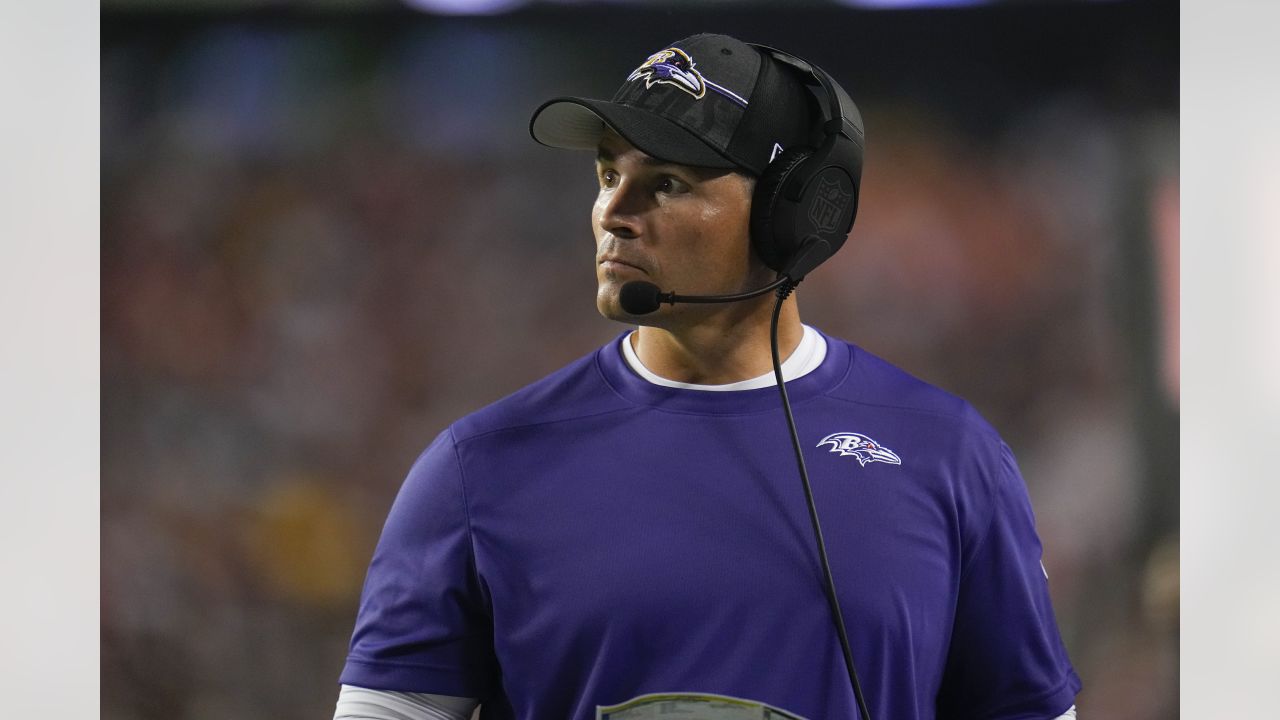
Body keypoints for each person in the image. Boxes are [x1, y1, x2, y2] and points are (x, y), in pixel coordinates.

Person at [333, 33, 1081, 720]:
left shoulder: (947, 454)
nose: (613, 213)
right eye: (606, 174)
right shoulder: (476, 469)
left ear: (793, 215)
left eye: (665, 184)